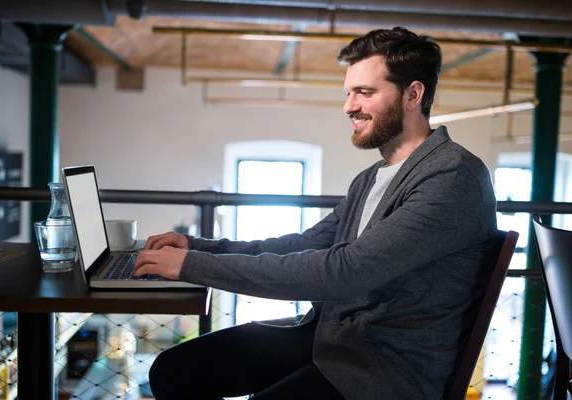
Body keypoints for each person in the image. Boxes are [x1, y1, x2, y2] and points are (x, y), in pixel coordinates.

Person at [133, 26, 498, 400]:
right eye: (348, 93)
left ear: (413, 94)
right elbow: (305, 245)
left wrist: (190, 266)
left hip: (386, 369)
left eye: (365, 92)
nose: (349, 106)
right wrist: (199, 248)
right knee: (174, 371)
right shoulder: (372, 176)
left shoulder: (452, 176)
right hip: (334, 337)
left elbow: (344, 273)